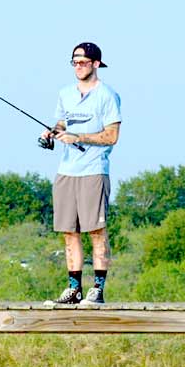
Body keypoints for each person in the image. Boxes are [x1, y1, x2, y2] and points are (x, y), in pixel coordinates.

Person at [42, 42, 121, 305]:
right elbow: (63, 122)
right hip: (66, 171)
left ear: (96, 64)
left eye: (83, 62)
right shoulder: (65, 93)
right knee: (68, 231)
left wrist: (80, 137)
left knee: (96, 230)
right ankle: (73, 289)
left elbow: (112, 136)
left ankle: (97, 290)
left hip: (93, 170)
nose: (78, 66)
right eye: (74, 62)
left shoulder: (108, 96)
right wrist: (52, 132)